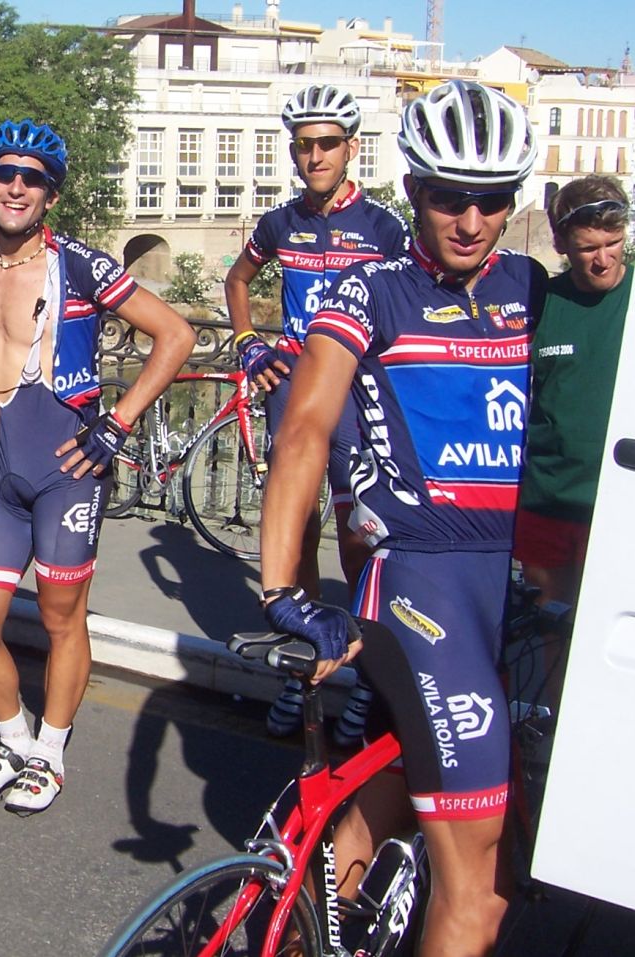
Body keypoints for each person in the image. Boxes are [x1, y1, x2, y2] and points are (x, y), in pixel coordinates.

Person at [259, 79, 545, 955]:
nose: (471, 220)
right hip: (422, 587)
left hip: (512, 585)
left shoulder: (530, 287)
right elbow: (304, 430)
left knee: (398, 786)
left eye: (491, 199)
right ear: (413, 190)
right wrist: (279, 587)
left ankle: (304, 930)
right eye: (448, 197)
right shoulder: (369, 291)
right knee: (481, 886)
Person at [0, 119, 195, 814]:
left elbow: (176, 335)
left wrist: (117, 425)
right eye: (4, 174)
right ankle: (13, 739)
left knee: (62, 617)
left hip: (65, 468)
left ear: (50, 195)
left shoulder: (80, 265)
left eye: (32, 179)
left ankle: (50, 752)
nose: (16, 187)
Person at [223, 83, 410, 741]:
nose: (315, 156)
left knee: (360, 538)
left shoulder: (384, 227)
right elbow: (237, 278)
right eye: (303, 145)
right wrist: (249, 342)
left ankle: (368, 677)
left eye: (328, 143)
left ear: (351, 148)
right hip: (292, 387)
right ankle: (303, 669)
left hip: (356, 394)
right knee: (297, 531)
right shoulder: (280, 223)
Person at [515, 175, 630, 609]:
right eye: (588, 248)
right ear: (561, 244)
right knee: (550, 625)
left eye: (613, 243)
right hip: (550, 500)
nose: (603, 259)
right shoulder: (541, 302)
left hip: (620, 502)